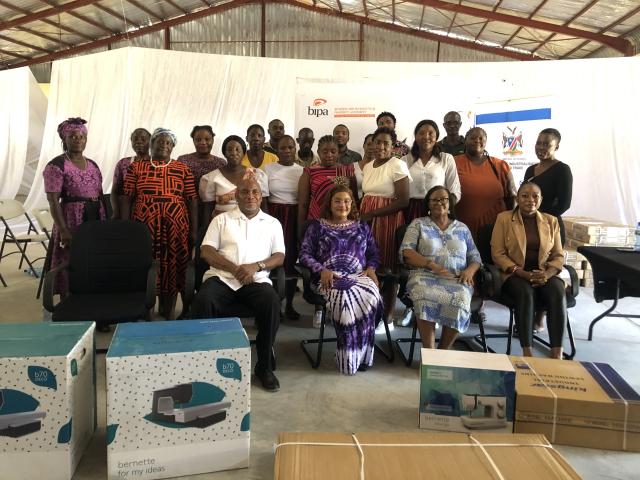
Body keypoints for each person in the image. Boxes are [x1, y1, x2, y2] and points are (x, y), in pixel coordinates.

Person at [191, 178, 285, 391]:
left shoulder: (272, 223)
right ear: (236, 196)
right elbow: (206, 251)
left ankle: (264, 366)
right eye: (244, 192)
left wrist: (256, 266)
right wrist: (235, 269)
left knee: (271, 302)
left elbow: (279, 256)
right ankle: (206, 364)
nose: (250, 196)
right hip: (222, 278)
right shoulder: (221, 220)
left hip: (256, 280)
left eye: (254, 192)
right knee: (203, 300)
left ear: (261, 196)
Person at [300, 185, 383, 374]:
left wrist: (371, 268)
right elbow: (304, 255)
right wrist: (322, 270)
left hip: (360, 276)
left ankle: (363, 356)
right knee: (345, 297)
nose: (342, 205)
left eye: (346, 201)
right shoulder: (316, 226)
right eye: (337, 200)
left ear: (352, 203)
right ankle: (348, 358)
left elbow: (373, 253)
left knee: (372, 296)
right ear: (329, 203)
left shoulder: (362, 226)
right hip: (330, 278)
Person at [122, 128, 197, 320]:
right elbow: (127, 197)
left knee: (173, 265)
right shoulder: (137, 167)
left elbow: (192, 200)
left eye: (168, 143)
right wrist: (125, 227)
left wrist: (194, 230)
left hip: (176, 226)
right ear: (151, 144)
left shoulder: (182, 169)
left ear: (173, 147)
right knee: (148, 265)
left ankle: (169, 310)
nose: (163, 145)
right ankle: (148, 310)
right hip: (145, 225)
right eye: (159, 142)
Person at [490, 182, 566, 359]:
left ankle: (557, 353)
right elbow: (498, 254)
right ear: (517, 198)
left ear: (541, 199)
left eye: (535, 196)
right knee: (525, 292)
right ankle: (527, 351)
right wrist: (522, 273)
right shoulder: (504, 218)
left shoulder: (551, 221)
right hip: (514, 273)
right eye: (524, 196)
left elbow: (558, 255)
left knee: (558, 291)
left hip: (543, 273)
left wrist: (546, 274)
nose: (530, 200)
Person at [400, 186, 481, 349]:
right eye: (434, 200)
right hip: (424, 275)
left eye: (443, 199)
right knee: (424, 296)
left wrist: (470, 271)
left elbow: (475, 257)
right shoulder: (418, 224)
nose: (439, 202)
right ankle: (429, 353)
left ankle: (443, 352)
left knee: (461, 300)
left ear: (450, 203)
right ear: (428, 204)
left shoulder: (462, 228)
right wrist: (430, 265)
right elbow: (406, 251)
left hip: (456, 278)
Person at [44, 117, 108, 302]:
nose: (78, 140)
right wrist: (63, 230)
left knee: (94, 258)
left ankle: (93, 300)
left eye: (82, 137)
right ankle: (69, 302)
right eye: (73, 136)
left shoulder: (93, 165)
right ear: (65, 139)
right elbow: (53, 199)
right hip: (72, 218)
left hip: (96, 214)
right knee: (70, 257)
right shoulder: (56, 165)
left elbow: (100, 193)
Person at [360, 127, 411, 332]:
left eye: (385, 143)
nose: (380, 146)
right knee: (367, 266)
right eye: (377, 142)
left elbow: (403, 200)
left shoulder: (397, 165)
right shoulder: (368, 166)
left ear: (393, 146)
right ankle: (369, 311)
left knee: (388, 269)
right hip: (366, 221)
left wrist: (374, 213)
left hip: (387, 220)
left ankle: (387, 317)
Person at [265, 135, 304, 320]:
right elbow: (264, 197)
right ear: (276, 149)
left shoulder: (302, 170)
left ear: (295, 149)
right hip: (274, 215)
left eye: (290, 147)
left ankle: (289, 304)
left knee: (291, 259)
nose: (287, 150)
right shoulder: (268, 169)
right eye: (282, 148)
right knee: (271, 258)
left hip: (295, 216)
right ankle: (273, 305)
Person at [454, 127, 516, 242]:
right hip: (462, 229)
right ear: (465, 141)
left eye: (481, 138)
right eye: (472, 138)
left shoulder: (500, 165)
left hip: (495, 229)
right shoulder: (453, 162)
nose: (477, 140)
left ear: (486, 142)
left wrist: (510, 223)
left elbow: (512, 196)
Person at [402, 119, 461, 223]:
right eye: (421, 133)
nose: (426, 137)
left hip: (439, 209)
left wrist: (444, 210)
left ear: (436, 137)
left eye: (430, 133)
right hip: (411, 210)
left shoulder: (446, 159)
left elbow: (454, 190)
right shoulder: (405, 160)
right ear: (415, 137)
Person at [297, 135, 356, 233]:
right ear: (318, 152)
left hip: (342, 222)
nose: (329, 155)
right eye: (325, 152)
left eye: (333, 151)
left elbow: (354, 200)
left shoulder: (347, 171)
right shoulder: (309, 172)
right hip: (316, 221)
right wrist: (300, 230)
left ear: (338, 153)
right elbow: (303, 204)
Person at [200, 135, 269, 219]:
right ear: (224, 153)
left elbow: (264, 206)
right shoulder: (211, 178)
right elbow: (208, 209)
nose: (234, 153)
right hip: (222, 225)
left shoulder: (257, 175)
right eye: (229, 150)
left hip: (251, 223)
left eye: (237, 149)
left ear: (244, 153)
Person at [523, 128, 572, 245]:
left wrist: (541, 220)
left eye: (546, 144)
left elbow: (564, 204)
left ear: (557, 147)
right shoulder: (530, 170)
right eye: (538, 143)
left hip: (550, 227)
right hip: (528, 226)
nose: (541, 147)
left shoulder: (562, 170)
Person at [111, 128, 150, 220]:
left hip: (149, 212)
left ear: (151, 141)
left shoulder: (157, 163)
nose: (139, 141)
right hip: (127, 211)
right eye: (135, 139)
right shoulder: (123, 163)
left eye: (143, 139)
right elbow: (115, 191)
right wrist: (116, 212)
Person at [354, 134, 375, 200]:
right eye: (369, 144)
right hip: (355, 204)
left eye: (374, 145)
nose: (371, 147)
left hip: (374, 205)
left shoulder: (382, 168)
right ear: (364, 145)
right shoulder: (353, 166)